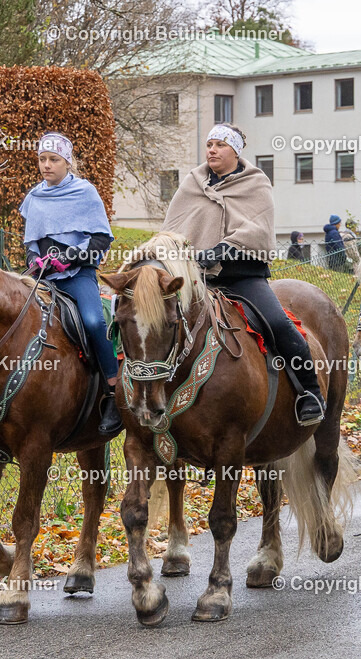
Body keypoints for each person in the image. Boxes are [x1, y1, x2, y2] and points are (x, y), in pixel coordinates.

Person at [160, 123, 326, 425]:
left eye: (220, 145)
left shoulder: (256, 183)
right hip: (196, 281)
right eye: (209, 144)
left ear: (235, 151)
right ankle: (145, 394)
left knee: (277, 322)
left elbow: (258, 232)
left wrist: (221, 251)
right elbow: (171, 231)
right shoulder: (191, 184)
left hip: (242, 278)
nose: (212, 149)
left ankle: (310, 392)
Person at [21, 132, 121, 434]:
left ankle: (114, 393)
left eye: (53, 159)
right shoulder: (34, 197)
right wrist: (33, 259)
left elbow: (102, 238)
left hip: (78, 275)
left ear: (68, 162)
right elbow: (31, 242)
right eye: (42, 159)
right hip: (42, 277)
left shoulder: (85, 193)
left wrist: (72, 257)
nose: (46, 165)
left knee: (92, 322)